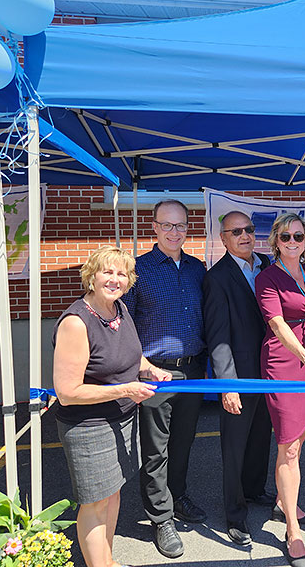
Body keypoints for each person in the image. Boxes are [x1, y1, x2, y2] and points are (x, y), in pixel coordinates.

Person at [52, 245, 171, 567]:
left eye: (122, 274)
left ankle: (107, 560)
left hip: (122, 417)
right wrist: (127, 388)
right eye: (107, 271)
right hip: (89, 426)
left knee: (114, 493)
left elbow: (132, 354)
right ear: (91, 276)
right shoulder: (77, 322)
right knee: (94, 503)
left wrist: (148, 368)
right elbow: (67, 392)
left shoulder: (120, 311)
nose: (114, 279)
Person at [121, 199, 207, 560]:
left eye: (181, 225)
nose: (175, 232)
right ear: (154, 227)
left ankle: (178, 495)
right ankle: (161, 518)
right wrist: (140, 364)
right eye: (168, 225)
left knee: (183, 442)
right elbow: (120, 324)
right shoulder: (137, 271)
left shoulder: (198, 269)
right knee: (155, 449)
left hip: (194, 370)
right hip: (155, 372)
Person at [256, 213, 305, 567]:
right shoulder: (267, 277)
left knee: (296, 441)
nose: (292, 242)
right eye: (285, 237)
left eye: (298, 237)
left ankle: (282, 501)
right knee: (287, 447)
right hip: (285, 362)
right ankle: (292, 530)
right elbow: (276, 323)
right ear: (276, 240)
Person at [202, 211, 274, 547]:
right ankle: (234, 513)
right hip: (240, 376)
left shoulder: (268, 264)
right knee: (234, 445)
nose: (245, 236)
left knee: (261, 436)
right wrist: (227, 384)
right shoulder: (217, 278)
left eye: (249, 229)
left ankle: (255, 490)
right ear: (224, 238)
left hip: (272, 372)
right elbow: (217, 337)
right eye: (236, 232)